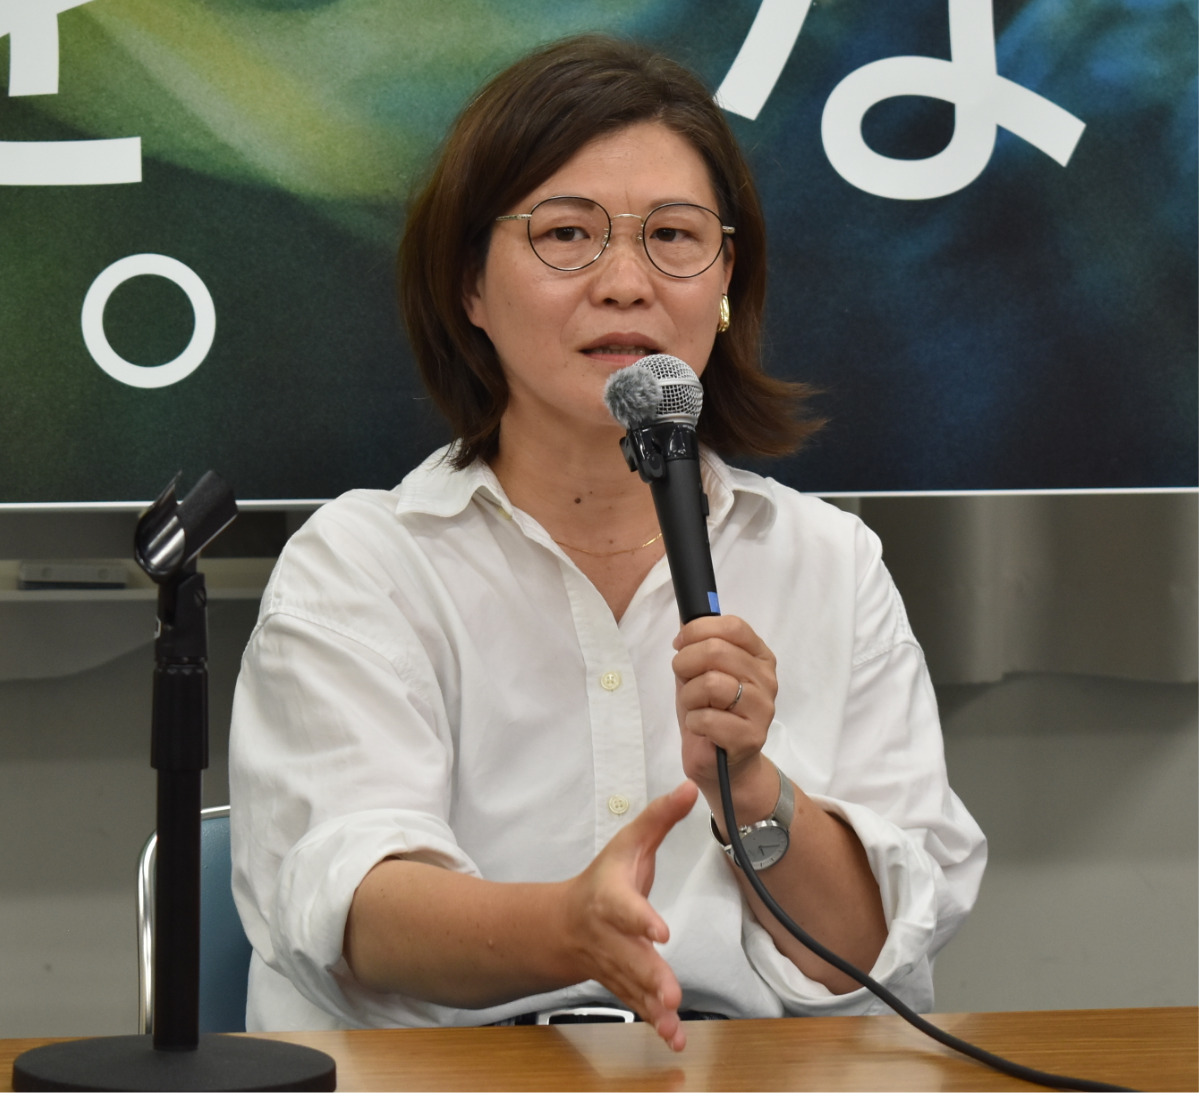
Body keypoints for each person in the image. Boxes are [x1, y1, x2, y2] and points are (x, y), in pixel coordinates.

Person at [228, 33, 986, 1051]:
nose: (626, 282)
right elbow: (345, 908)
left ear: (726, 281)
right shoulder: (362, 563)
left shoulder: (828, 563)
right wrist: (568, 929)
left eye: (673, 236)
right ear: (469, 285)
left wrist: (755, 792)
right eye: (567, 234)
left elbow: (875, 952)